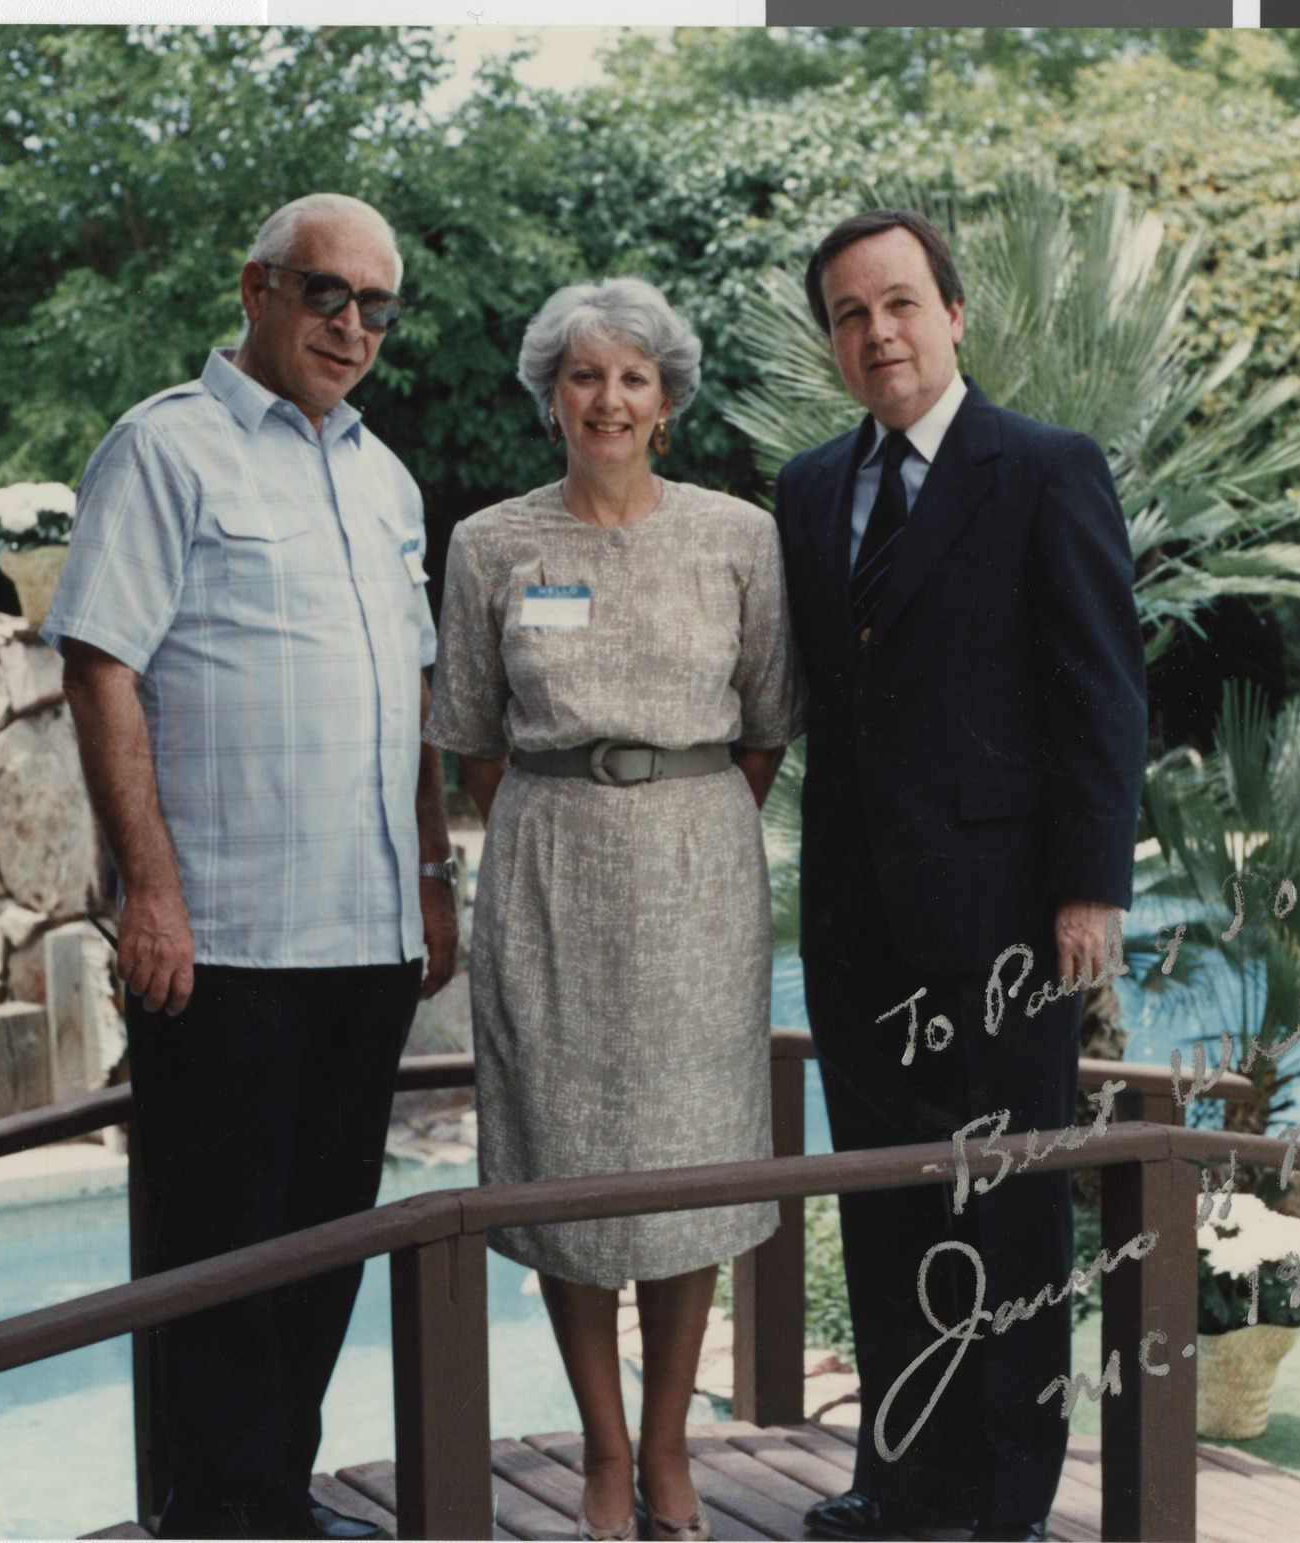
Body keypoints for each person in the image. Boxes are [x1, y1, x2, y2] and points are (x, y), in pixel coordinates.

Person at [45, 192, 458, 1541]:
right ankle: (217, 1516)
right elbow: (101, 661)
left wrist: (435, 877)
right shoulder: (165, 449)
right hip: (223, 939)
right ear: (257, 288)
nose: (352, 324)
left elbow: (410, 693)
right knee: (217, 1260)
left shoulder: (387, 479)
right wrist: (147, 888)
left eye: (377, 306)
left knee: (324, 1245)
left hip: (368, 932)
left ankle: (274, 1497)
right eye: (325, 292)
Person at [774, 210, 1147, 1542]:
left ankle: (1005, 1497)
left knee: (1012, 1204)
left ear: (952, 313)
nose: (876, 332)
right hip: (856, 920)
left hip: (1003, 919)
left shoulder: (1044, 468)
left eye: (899, 303)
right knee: (885, 1190)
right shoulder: (809, 487)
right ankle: (902, 1471)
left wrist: (1087, 887)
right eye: (847, 314)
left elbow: (1101, 692)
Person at [424, 277, 803, 1543]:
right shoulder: (489, 543)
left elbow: (767, 722)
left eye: (632, 376)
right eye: (583, 376)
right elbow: (473, 735)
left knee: (692, 1158)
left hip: (699, 870)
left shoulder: (738, 536)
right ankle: (598, 1453)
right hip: (546, 870)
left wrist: (674, 810)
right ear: (549, 399)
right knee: (564, 1159)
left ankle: (667, 1444)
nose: (609, 398)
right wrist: (573, 806)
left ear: (667, 400)